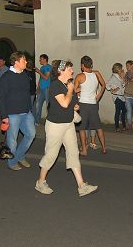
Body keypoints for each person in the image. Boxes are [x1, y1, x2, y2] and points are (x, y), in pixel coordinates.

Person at [35, 60, 98, 197]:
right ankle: (40, 182)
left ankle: (82, 186)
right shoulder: (56, 85)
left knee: (73, 153)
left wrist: (75, 105)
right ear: (61, 71)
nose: (73, 71)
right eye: (70, 68)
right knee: (51, 155)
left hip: (68, 124)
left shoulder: (67, 84)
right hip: (55, 125)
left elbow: (72, 104)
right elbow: (64, 103)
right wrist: (70, 91)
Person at [0, 52, 36, 170]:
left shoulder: (25, 74)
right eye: (23, 60)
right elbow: (2, 97)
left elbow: (26, 94)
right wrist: (4, 116)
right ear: (16, 62)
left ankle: (19, 156)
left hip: (26, 112)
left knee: (31, 134)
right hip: (12, 114)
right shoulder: (6, 77)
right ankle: (12, 162)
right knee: (12, 141)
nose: (26, 62)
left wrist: (30, 109)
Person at [74, 56, 107, 155]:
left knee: (82, 128)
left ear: (82, 65)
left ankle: (84, 150)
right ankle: (104, 148)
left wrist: (81, 89)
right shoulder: (96, 73)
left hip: (83, 104)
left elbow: (74, 90)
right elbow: (104, 85)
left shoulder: (80, 76)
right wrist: (99, 95)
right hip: (93, 103)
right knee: (98, 126)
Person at [106, 63, 127, 132]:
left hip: (122, 96)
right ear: (117, 69)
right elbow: (107, 85)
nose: (122, 69)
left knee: (124, 111)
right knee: (118, 112)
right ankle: (117, 127)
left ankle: (124, 126)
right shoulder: (113, 77)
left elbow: (123, 85)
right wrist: (112, 89)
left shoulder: (119, 76)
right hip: (117, 97)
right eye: (120, 68)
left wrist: (123, 78)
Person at [33, 54, 53, 122]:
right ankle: (37, 121)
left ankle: (50, 121)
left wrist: (39, 72)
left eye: (40, 59)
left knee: (48, 106)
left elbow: (46, 77)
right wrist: (38, 88)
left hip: (47, 89)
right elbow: (41, 79)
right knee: (38, 105)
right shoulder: (42, 68)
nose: (39, 60)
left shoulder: (48, 67)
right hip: (41, 89)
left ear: (45, 59)